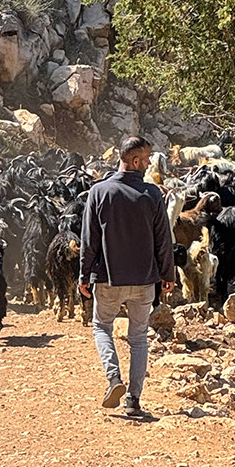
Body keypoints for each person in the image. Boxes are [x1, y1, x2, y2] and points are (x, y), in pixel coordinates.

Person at [80, 135, 175, 419]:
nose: (148, 164)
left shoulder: (99, 192)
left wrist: (84, 274)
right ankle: (133, 399)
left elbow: (89, 240)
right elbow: (163, 239)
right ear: (134, 161)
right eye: (145, 159)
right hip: (144, 280)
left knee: (102, 327)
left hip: (108, 278)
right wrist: (167, 273)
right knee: (138, 339)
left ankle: (113, 379)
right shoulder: (152, 195)